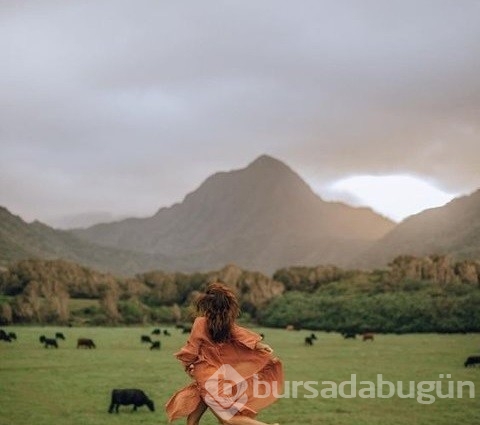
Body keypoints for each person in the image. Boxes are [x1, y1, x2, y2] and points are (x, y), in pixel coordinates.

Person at [165, 281, 283, 425]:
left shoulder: (200, 322)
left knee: (228, 420)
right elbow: (240, 334)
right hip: (213, 377)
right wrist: (259, 345)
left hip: (208, 379)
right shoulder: (225, 324)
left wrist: (187, 364)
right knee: (193, 420)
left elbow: (192, 349)